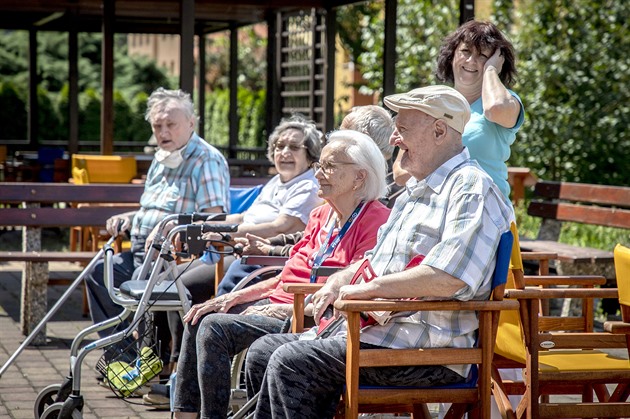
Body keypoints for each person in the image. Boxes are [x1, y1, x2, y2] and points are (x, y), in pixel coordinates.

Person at [244, 85, 514, 419]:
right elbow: (373, 260)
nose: (394, 140)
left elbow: (449, 277)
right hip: (376, 334)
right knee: (262, 351)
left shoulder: (471, 188)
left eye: (403, 129)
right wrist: (338, 282)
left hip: (426, 351)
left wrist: (368, 290)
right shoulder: (414, 191)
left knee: (292, 362)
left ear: (440, 131)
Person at [172, 130, 392, 418]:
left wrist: (281, 307)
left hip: (310, 316)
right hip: (280, 305)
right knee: (200, 315)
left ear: (359, 177)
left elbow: (352, 289)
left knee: (214, 328)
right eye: (319, 166)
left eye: (329, 167)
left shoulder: (376, 220)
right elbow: (286, 276)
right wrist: (234, 296)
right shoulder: (321, 215)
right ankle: (185, 415)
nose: (318, 175)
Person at [84, 87, 230, 376]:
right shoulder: (161, 159)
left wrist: (171, 228)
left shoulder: (205, 160)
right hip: (140, 251)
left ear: (192, 123)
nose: (163, 131)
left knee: (137, 288)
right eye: (157, 125)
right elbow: (151, 209)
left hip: (176, 257)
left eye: (170, 124)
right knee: (98, 272)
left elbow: (214, 219)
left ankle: (146, 361)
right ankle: (122, 358)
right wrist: (127, 217)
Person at [216, 105, 396, 289]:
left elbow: (349, 271)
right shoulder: (326, 204)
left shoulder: (371, 205)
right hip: (294, 281)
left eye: (343, 133)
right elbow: (307, 243)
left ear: (364, 144)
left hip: (310, 294)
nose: (334, 139)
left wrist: (268, 249)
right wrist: (270, 246)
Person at [393, 20, 523, 204]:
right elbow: (400, 172)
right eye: (466, 51)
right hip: (435, 215)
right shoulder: (431, 102)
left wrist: (491, 70)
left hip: (488, 216)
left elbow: (495, 109)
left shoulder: (507, 100)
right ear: (452, 55)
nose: (471, 61)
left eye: (483, 55)